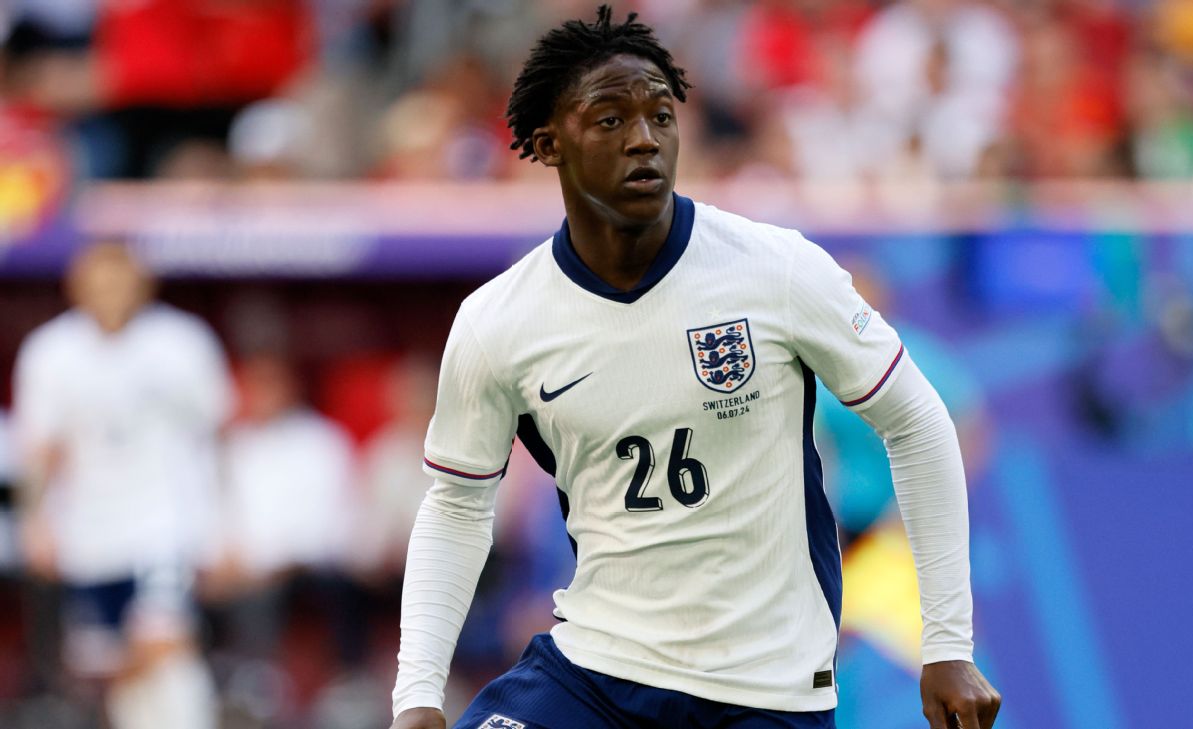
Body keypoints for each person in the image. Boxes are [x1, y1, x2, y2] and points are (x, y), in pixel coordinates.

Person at [391, 7, 1001, 729]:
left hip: (764, 688)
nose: (644, 138)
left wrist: (947, 644)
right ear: (549, 143)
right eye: (611, 120)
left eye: (660, 115)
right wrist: (417, 696)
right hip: (596, 671)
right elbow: (458, 505)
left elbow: (918, 421)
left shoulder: (777, 270)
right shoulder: (499, 320)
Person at [11, 241, 230, 729]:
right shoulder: (51, 352)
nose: (110, 295)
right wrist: (36, 522)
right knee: (107, 666)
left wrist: (225, 526)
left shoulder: (182, 344)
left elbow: (215, 438)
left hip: (164, 523)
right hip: (89, 533)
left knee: (164, 646)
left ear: (143, 286)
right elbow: (40, 450)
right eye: (98, 284)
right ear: (76, 289)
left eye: (120, 283)